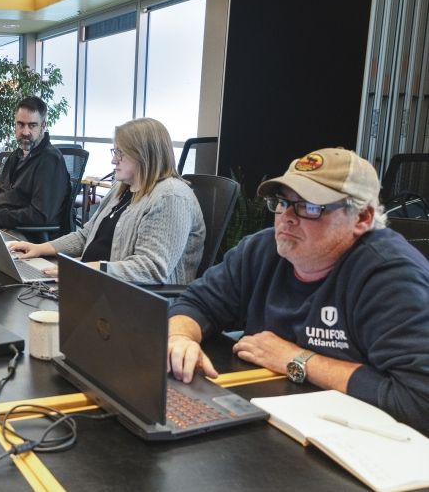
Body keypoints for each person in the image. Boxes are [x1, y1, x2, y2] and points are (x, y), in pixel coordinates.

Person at [167, 148, 429, 433]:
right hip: (267, 418)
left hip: (354, 440)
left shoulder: (391, 277)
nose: (287, 217)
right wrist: (180, 337)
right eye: (282, 202)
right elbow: (197, 302)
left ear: (361, 218)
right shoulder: (261, 250)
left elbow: (419, 401)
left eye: (310, 207)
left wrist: (298, 359)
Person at [10, 118, 204, 282]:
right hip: (93, 284)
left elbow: (150, 269)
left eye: (120, 153)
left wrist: (82, 270)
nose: (113, 160)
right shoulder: (121, 189)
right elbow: (86, 235)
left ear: (144, 155)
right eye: (115, 152)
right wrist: (39, 249)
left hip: (134, 302)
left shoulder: (171, 196)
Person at [0, 96, 69, 231]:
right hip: (0, 225)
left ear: (43, 126)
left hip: (27, 235)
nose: (25, 132)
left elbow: (39, 215)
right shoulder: (16, 155)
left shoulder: (50, 160)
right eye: (20, 124)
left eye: (32, 125)